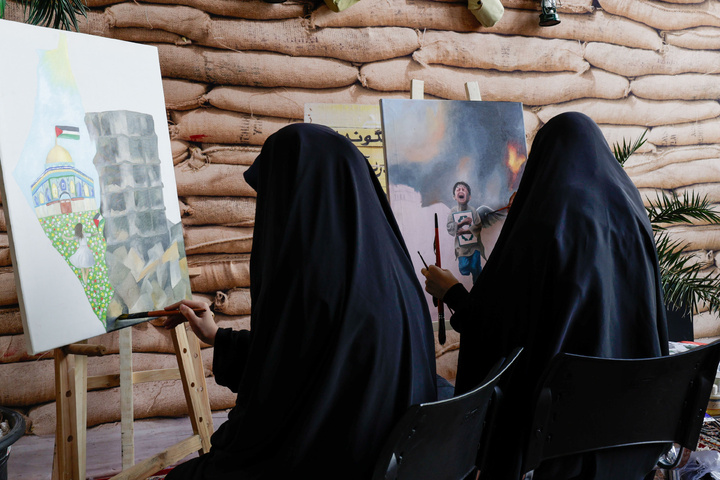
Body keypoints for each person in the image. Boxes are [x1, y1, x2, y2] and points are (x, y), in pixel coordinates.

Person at [163, 123, 438, 480]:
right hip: (391, 461)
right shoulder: (390, 272)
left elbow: (275, 395)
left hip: (333, 461)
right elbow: (300, 360)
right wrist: (218, 336)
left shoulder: (313, 281)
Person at [423, 112, 669, 480]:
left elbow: (501, 333)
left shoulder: (546, 220)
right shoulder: (633, 213)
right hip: (630, 438)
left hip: (556, 444)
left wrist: (453, 292)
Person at [447, 181, 485, 284]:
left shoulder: (473, 211)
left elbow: (478, 226)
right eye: (458, 189)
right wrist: (461, 223)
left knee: (475, 267)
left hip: (474, 246)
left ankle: (478, 288)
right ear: (454, 196)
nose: (461, 190)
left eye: (464, 189)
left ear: (469, 197)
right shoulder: (453, 212)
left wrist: (466, 231)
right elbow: (450, 228)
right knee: (464, 269)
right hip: (461, 247)